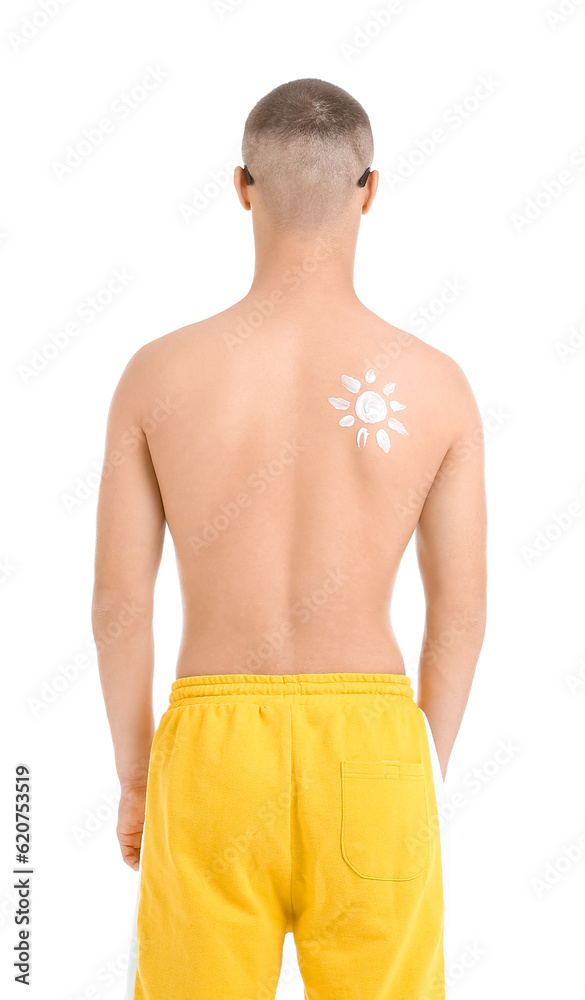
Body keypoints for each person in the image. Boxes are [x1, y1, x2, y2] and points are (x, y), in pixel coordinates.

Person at [92, 77, 487, 1000]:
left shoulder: (157, 375)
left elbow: (119, 606)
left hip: (213, 750)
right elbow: (460, 613)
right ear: (370, 189)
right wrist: (417, 772)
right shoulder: (433, 384)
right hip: (374, 745)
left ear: (241, 186)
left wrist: (137, 780)